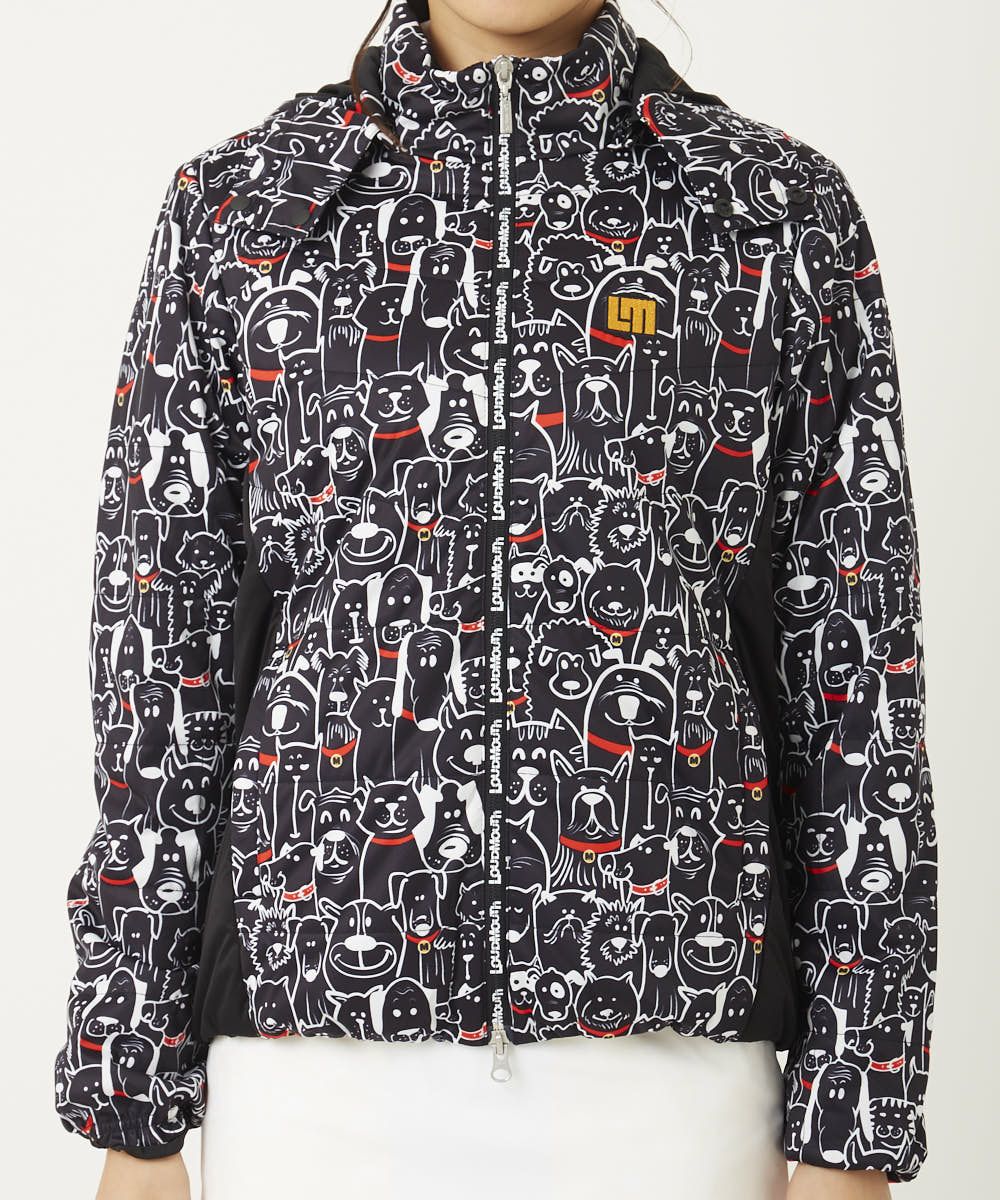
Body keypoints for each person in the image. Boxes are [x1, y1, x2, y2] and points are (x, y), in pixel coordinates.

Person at [54, 2, 937, 1198]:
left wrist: (853, 1122)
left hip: (672, 1086)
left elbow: (857, 682)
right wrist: (134, 1111)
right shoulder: (244, 207)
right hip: (314, 1088)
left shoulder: (772, 212)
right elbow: (160, 669)